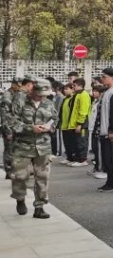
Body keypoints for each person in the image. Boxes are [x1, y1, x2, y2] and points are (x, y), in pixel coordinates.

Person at [9, 76, 57, 218]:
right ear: (33, 91)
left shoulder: (48, 103)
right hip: (22, 146)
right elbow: (11, 122)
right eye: (40, 95)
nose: (42, 98)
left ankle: (39, 207)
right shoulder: (20, 101)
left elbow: (55, 119)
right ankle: (20, 199)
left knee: (43, 177)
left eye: (45, 95)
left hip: (43, 146)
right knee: (20, 177)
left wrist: (50, 127)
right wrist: (30, 128)